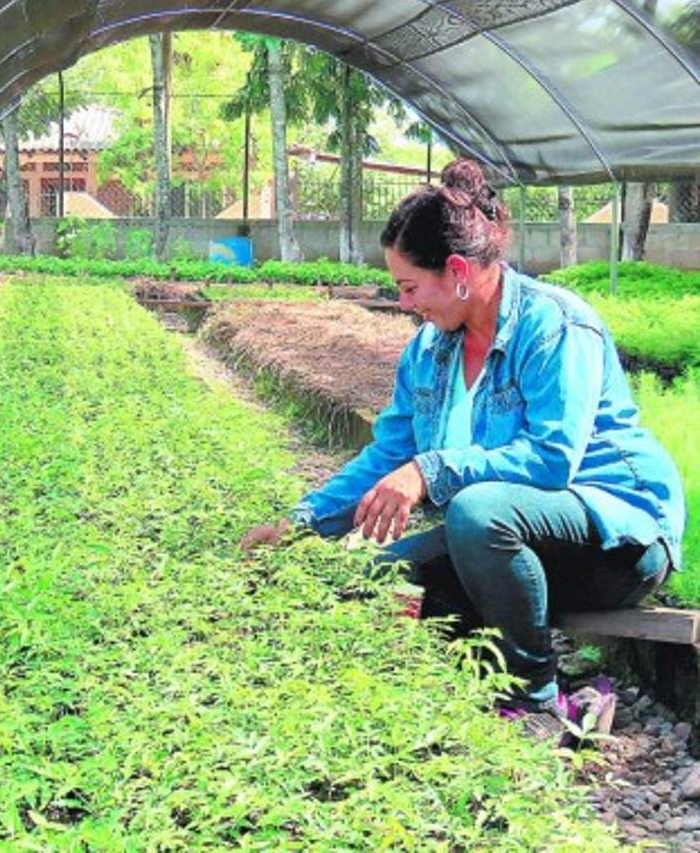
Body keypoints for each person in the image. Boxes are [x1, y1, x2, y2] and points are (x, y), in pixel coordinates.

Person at [241, 159, 685, 729]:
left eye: (408, 287)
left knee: (475, 513)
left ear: (455, 271)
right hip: (504, 546)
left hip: (615, 542)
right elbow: (386, 455)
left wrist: (431, 471)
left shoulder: (555, 327)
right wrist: (302, 526)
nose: (404, 304)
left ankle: (538, 698)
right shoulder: (428, 351)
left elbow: (551, 463)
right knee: (373, 581)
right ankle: (566, 694)